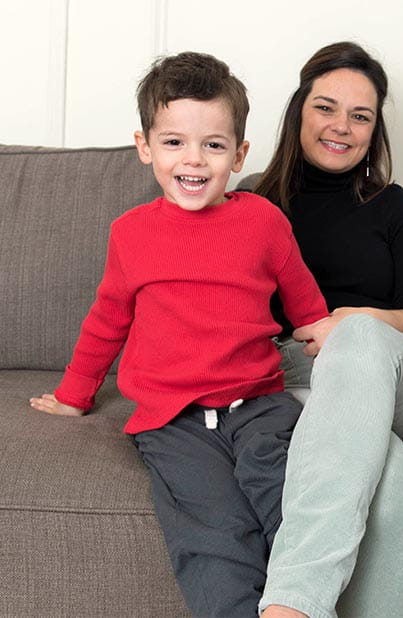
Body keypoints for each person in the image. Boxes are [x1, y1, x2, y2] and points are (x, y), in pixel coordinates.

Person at [29, 51, 331, 617]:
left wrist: (336, 350)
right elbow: (107, 321)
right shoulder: (131, 233)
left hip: (260, 405)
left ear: (239, 154)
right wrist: (74, 395)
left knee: (295, 507)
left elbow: (308, 309)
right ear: (145, 146)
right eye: (174, 142)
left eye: (213, 144)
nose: (193, 159)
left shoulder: (264, 221)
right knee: (213, 533)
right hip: (172, 420)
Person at [251, 42, 403, 618]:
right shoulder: (249, 202)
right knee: (386, 474)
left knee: (359, 337)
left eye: (360, 115)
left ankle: (293, 604)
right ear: (299, 110)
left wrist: (359, 321)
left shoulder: (397, 209)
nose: (341, 126)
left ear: (374, 130)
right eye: (326, 107)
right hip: (300, 381)